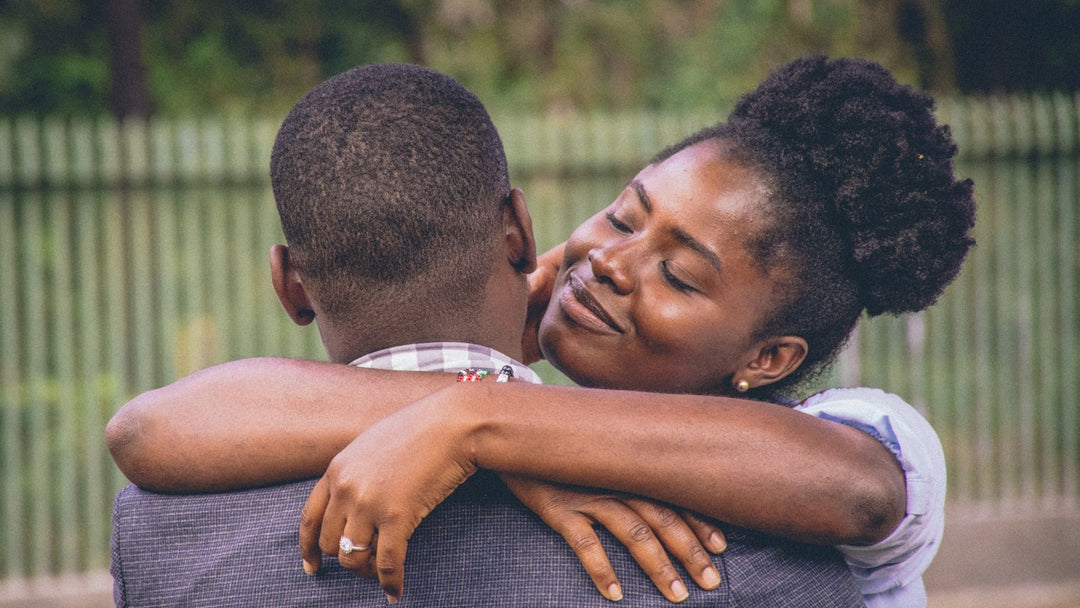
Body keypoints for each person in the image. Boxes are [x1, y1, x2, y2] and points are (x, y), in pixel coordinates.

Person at [109, 56, 976, 607]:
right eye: (624, 216)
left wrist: (478, 424)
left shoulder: (857, 430)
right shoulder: (537, 416)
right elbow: (150, 427)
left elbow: (857, 488)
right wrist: (488, 408)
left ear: (769, 359)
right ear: (523, 231)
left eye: (678, 274)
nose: (611, 262)